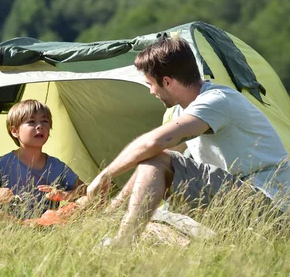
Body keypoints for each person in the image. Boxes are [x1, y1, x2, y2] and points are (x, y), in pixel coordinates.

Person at [86, 37, 290, 245]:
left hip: (270, 206)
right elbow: (153, 159)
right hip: (238, 206)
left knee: (158, 164)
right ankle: (208, 252)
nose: (151, 92)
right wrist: (113, 207)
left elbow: (153, 145)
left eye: (150, 84)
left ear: (167, 81)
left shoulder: (217, 101)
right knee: (149, 220)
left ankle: (122, 244)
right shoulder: (181, 110)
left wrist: (104, 176)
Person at [0, 99, 86, 221]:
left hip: (47, 224)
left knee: (84, 201)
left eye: (45, 121)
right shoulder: (4, 163)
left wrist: (63, 195)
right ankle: (22, 225)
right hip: (11, 224)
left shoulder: (56, 166)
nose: (40, 126)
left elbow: (84, 190)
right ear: (15, 131)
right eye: (31, 122)